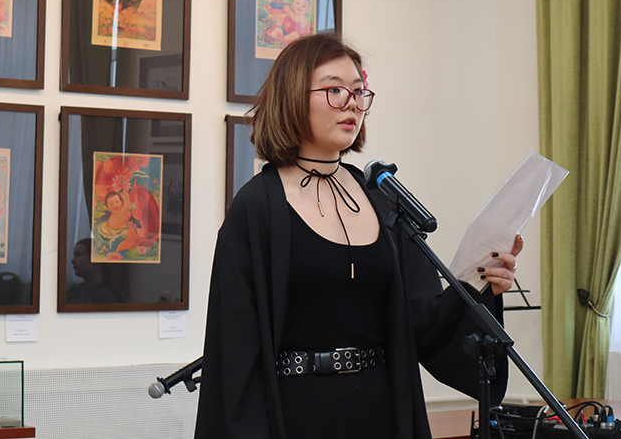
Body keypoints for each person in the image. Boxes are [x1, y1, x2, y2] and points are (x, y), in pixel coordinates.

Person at [195, 33, 521, 439]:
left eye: (358, 92)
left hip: (382, 408)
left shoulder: (381, 200)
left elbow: (422, 321)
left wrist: (479, 281)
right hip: (297, 414)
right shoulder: (256, 207)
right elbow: (235, 350)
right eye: (334, 90)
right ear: (292, 97)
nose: (352, 103)